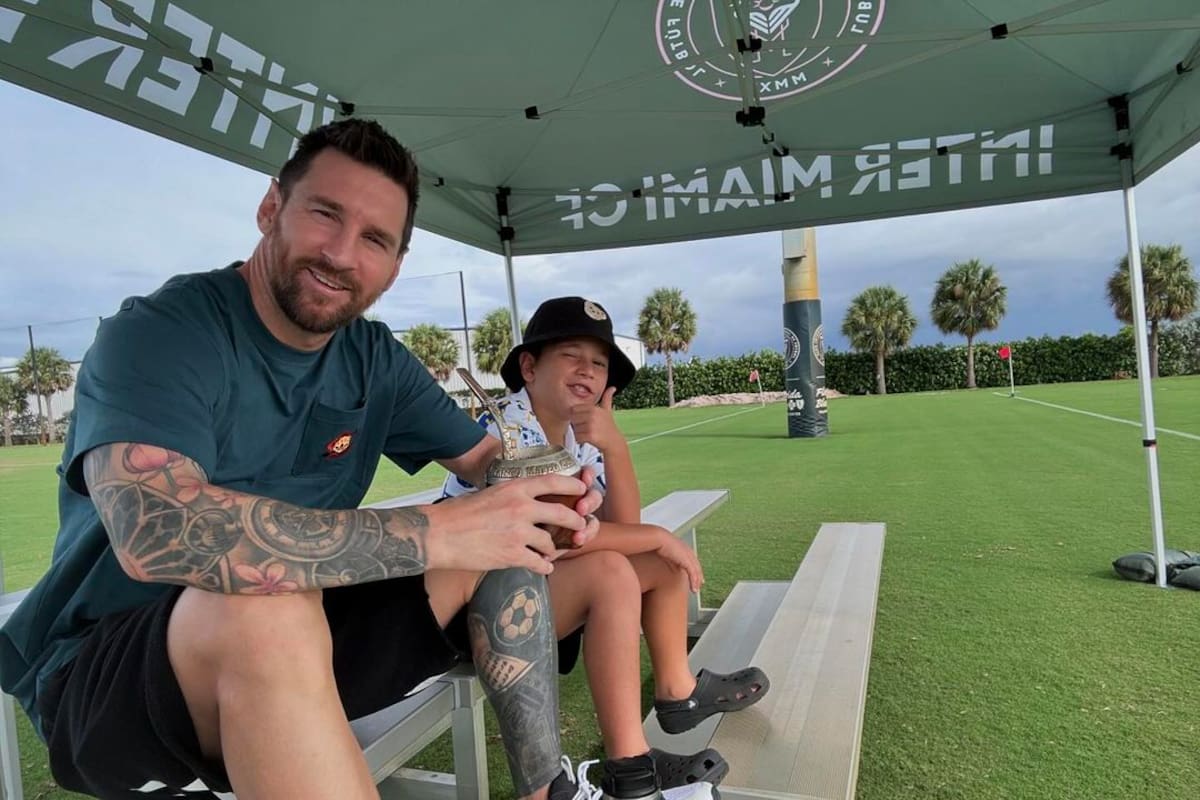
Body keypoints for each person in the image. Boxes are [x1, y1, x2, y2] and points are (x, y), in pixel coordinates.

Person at [0, 119, 641, 800]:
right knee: (263, 606)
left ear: (394, 267)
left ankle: (545, 788)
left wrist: (545, 488)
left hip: (308, 626)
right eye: (324, 214)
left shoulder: (373, 359)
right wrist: (441, 529)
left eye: (374, 239)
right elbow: (156, 531)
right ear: (271, 207)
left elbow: (490, 463)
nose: (341, 253)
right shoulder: (163, 333)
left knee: (504, 531)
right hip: (109, 672)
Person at [443, 296, 770, 792]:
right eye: (572, 356)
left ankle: (677, 693)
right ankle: (629, 765)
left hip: (534, 583)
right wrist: (659, 537)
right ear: (528, 367)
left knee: (660, 567)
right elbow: (561, 538)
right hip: (483, 610)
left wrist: (614, 444)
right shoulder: (510, 431)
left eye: (599, 363)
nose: (588, 372)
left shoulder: (574, 432)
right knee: (616, 571)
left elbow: (621, 523)